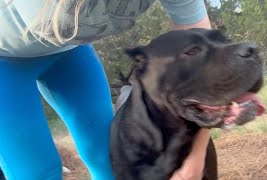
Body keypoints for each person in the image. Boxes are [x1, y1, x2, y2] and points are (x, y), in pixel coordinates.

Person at [0, 0, 214, 179]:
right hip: (4, 60)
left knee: (109, 157)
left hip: (70, 53)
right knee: (36, 171)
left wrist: (196, 155)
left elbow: (206, 66)